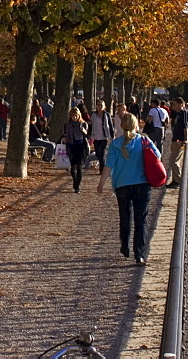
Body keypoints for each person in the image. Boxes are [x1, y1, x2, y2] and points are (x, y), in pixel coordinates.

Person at [96, 113, 160, 265]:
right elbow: (157, 156)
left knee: (125, 217)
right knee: (141, 219)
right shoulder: (144, 140)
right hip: (142, 184)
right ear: (136, 124)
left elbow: (109, 165)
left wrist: (101, 183)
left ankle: (125, 246)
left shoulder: (115, 144)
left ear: (121, 126)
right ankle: (139, 254)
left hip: (122, 185)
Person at [168, 97, 188, 188]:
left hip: (179, 140)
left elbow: (186, 126)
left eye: (175, 104)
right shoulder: (178, 113)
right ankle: (175, 179)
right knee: (173, 160)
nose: (173, 106)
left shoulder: (183, 113)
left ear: (181, 104)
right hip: (176, 139)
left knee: (174, 160)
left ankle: (178, 181)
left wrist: (185, 139)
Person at [62, 107, 90, 193]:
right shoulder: (67, 125)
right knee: (72, 167)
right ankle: (75, 180)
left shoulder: (83, 124)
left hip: (80, 146)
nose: (74, 117)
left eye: (76, 116)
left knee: (79, 167)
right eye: (72, 116)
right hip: (71, 146)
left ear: (79, 116)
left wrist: (84, 131)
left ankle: (77, 186)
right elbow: (64, 134)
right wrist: (64, 138)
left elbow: (88, 136)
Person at [87, 100, 114, 174]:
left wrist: (112, 135)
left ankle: (101, 170)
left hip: (104, 137)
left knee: (102, 153)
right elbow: (90, 124)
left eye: (101, 105)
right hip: (96, 136)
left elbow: (110, 125)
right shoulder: (93, 114)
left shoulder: (107, 115)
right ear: (96, 106)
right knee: (97, 154)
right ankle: (103, 165)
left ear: (104, 106)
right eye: (98, 105)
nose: (100, 106)